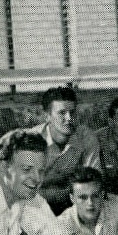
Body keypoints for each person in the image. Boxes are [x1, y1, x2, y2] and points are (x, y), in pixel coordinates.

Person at [28, 86, 101, 214]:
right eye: (62, 113)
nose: (69, 118)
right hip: (36, 205)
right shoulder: (30, 142)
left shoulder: (86, 138)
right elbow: (22, 190)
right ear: (47, 116)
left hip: (72, 202)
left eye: (72, 112)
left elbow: (93, 182)